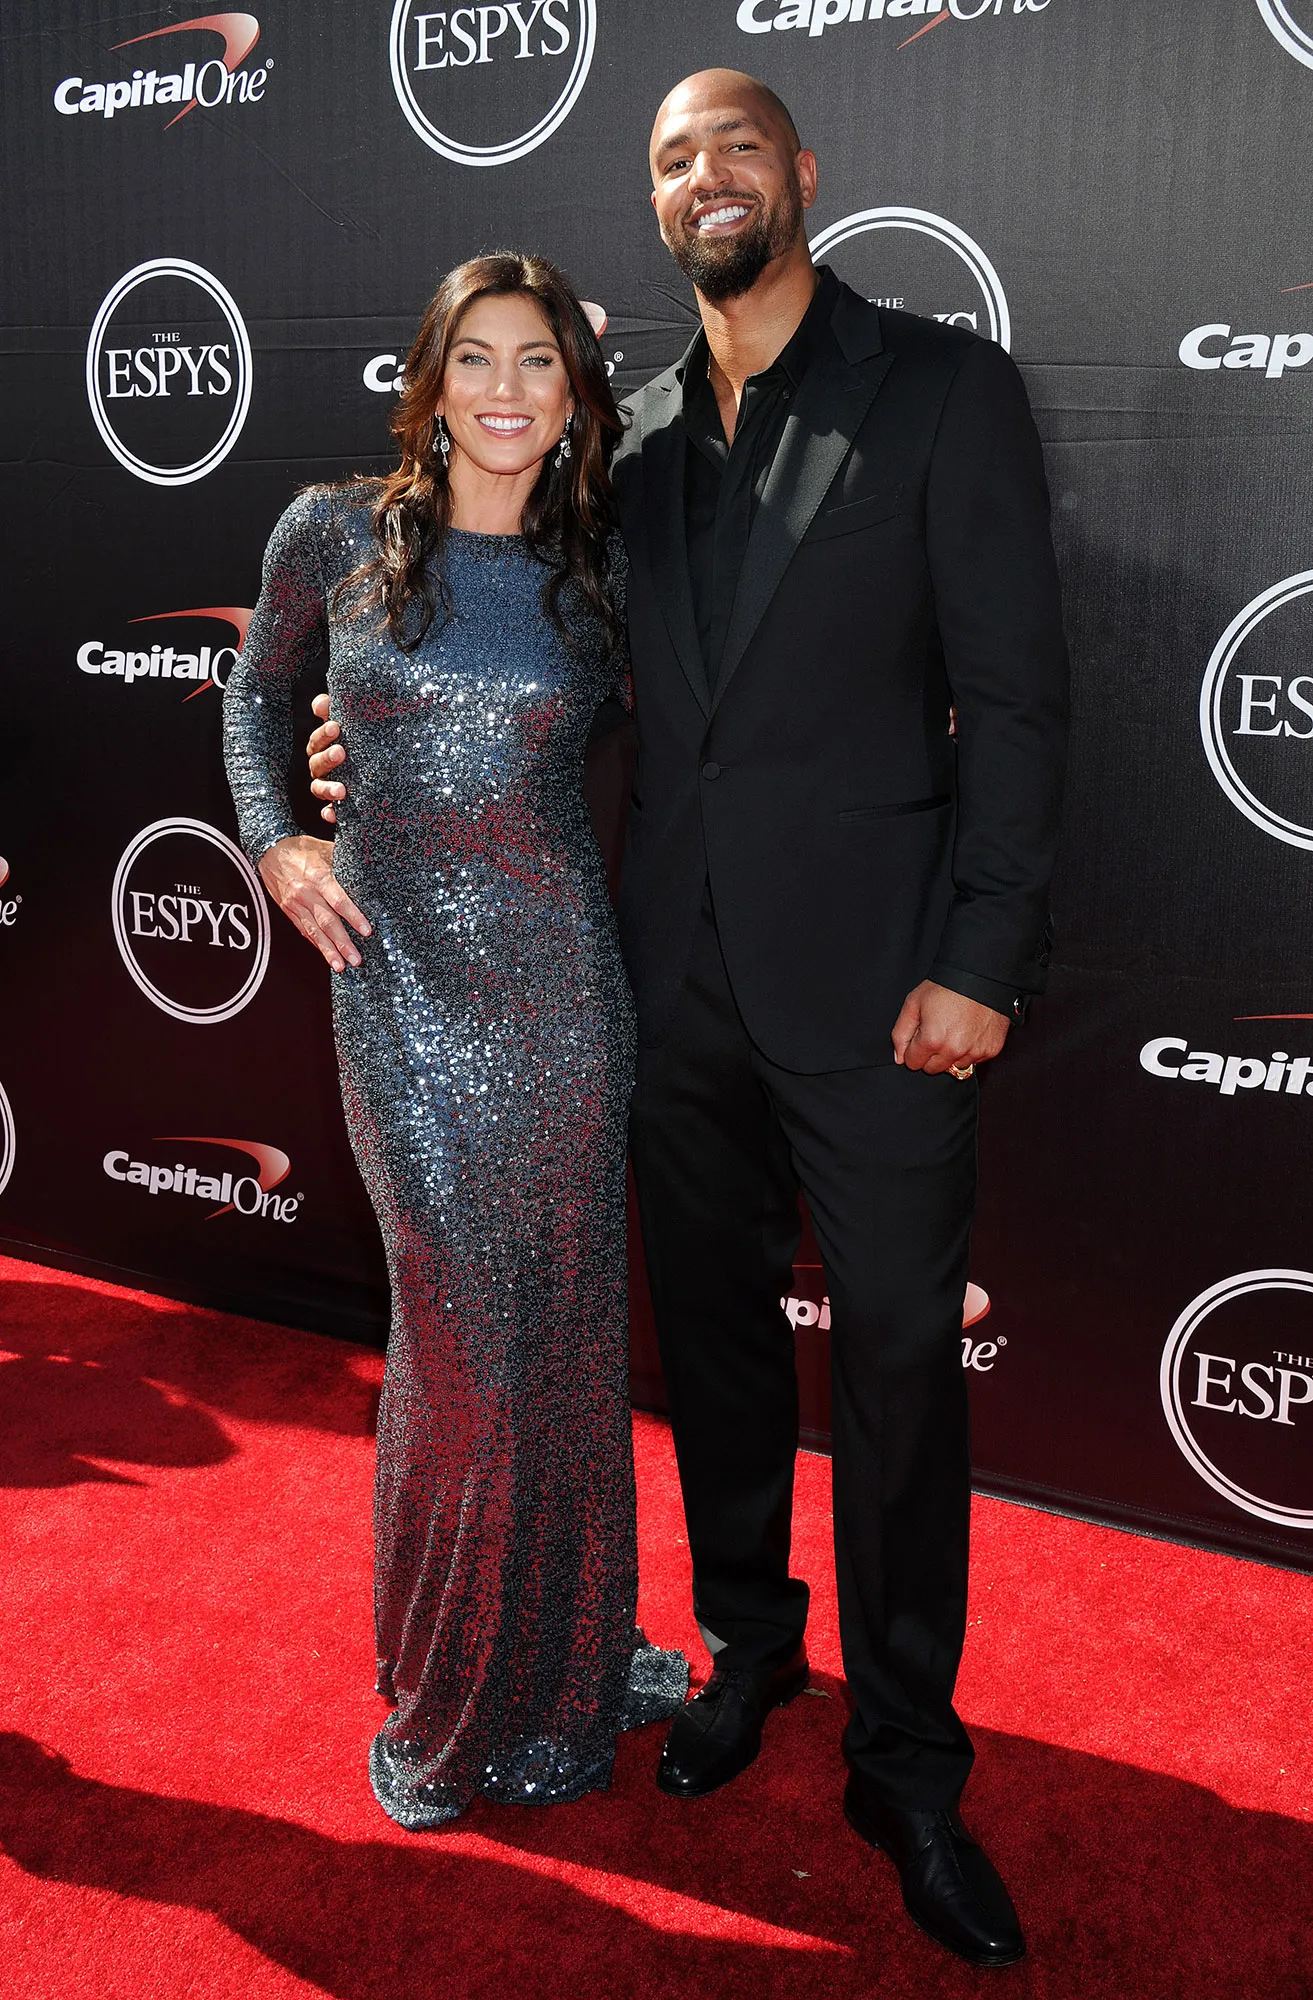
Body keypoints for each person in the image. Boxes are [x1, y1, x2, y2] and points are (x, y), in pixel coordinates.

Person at [308, 73, 1068, 1968]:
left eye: (736, 146)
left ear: (801, 172)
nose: (705, 177)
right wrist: (355, 755)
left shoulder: (943, 388)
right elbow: (516, 669)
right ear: (653, 205)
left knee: (898, 1374)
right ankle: (747, 1654)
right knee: (718, 1350)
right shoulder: (627, 444)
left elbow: (1020, 701)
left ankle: (908, 1766)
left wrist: (982, 956)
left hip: (890, 992)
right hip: (663, 989)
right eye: (671, 159)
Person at [222, 253, 687, 1833]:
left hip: (561, 995)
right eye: (476, 357)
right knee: (461, 1344)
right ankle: (451, 1687)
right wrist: (280, 844)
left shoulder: (605, 569)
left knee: (559, 1337)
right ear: (428, 382)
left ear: (574, 396)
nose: (505, 389)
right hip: (399, 992)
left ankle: (566, 1658)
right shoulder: (331, 534)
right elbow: (254, 696)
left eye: (538, 361)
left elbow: (727, 723)